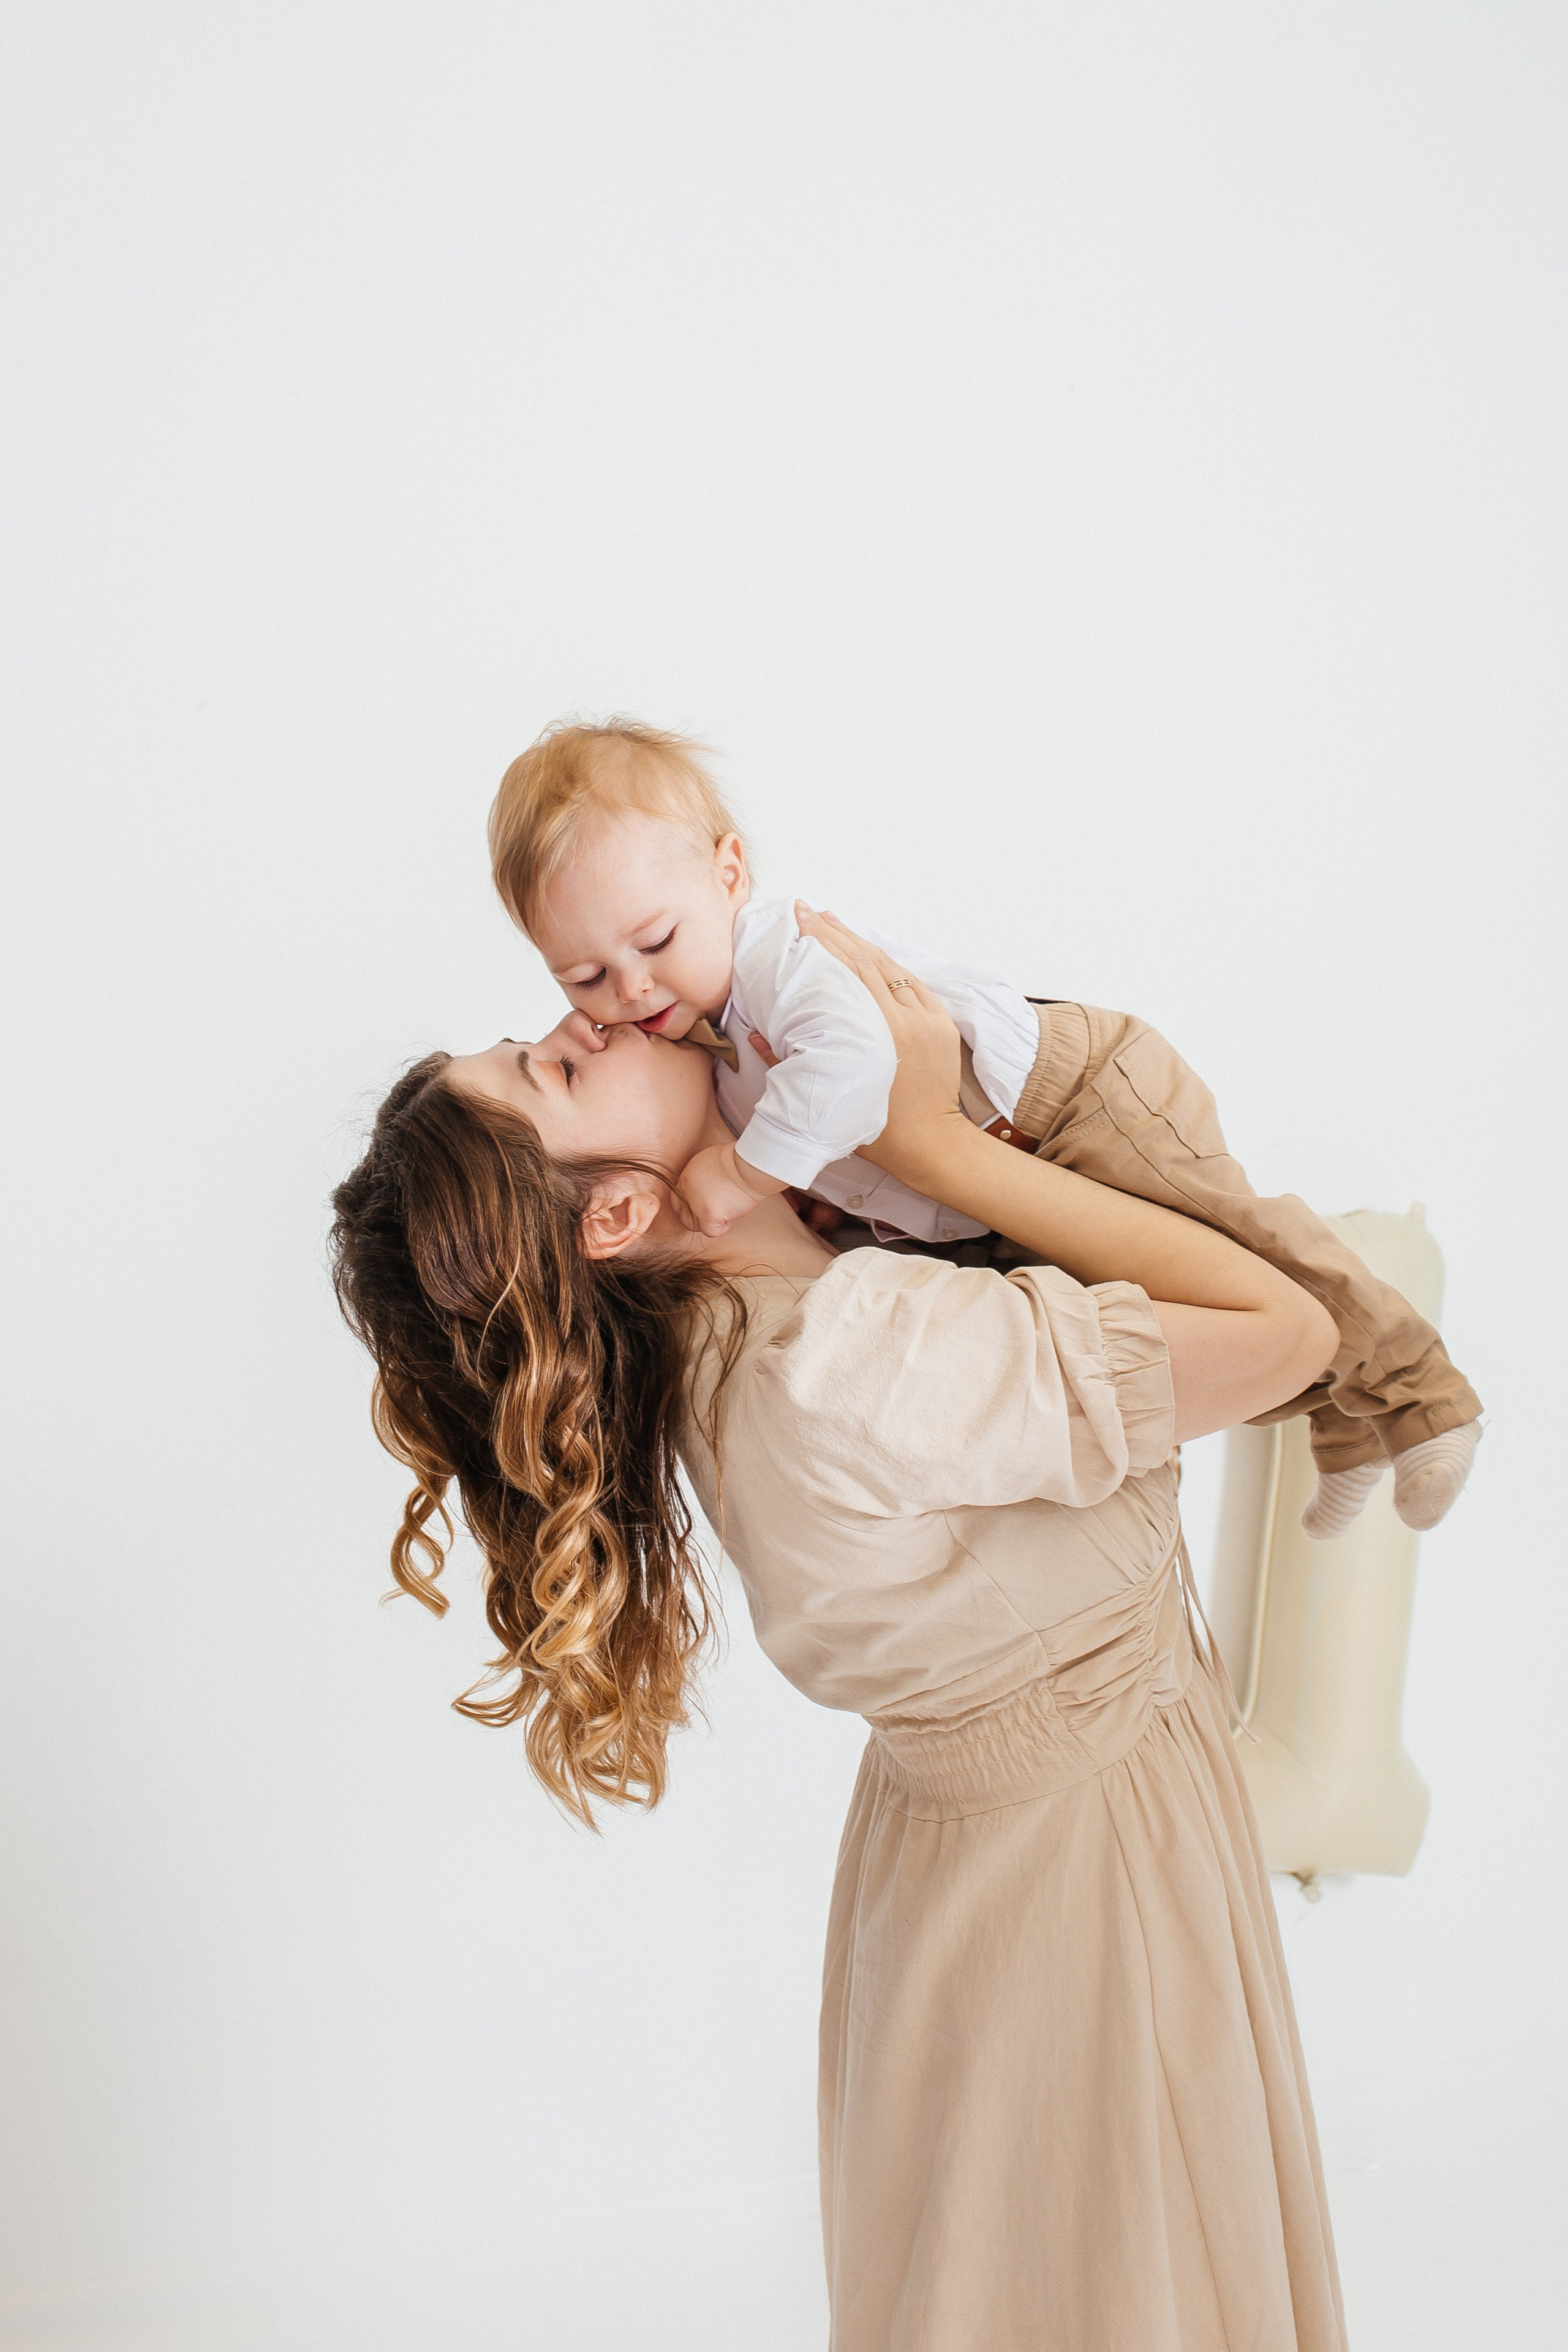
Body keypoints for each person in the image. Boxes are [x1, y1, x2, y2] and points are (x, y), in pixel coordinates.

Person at [330, 917, 1351, 2348]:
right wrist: (936, 1144)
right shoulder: (851, 1359)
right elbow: (1292, 1330)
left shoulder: (734, 1323)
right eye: (562, 1064)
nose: (610, 1018)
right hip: (1079, 1876)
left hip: (980, 1866)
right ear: (613, 1215)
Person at [486, 717, 1482, 1540]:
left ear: (730, 873)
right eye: (584, 978)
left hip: (1075, 1092)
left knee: (1246, 1242)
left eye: (655, 941)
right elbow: (841, 1142)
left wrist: (749, 1175)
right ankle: (1344, 1419)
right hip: (996, 1167)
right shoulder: (708, 1040)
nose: (632, 988)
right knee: (1158, 1313)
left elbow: (859, 1068)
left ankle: (1427, 1395)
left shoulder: (778, 961)